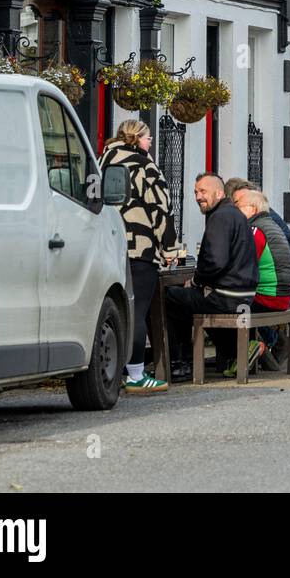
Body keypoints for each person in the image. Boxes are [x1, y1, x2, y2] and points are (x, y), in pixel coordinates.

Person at [99, 120, 178, 394]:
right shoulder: (144, 164)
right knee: (137, 311)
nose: (151, 142)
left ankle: (111, 369)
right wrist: (170, 249)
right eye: (148, 137)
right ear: (136, 137)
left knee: (114, 310)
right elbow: (160, 209)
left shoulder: (103, 160)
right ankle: (136, 374)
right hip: (140, 247)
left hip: (109, 245)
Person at [165, 173, 260, 381]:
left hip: (227, 297)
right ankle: (229, 355)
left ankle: (179, 364)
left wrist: (197, 280)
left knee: (170, 297)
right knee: (189, 298)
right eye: (196, 192)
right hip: (243, 295)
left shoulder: (220, 217)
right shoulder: (234, 214)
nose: (198, 196)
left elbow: (216, 261)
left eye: (203, 191)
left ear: (219, 192)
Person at [232, 187, 290, 374]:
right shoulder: (272, 225)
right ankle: (268, 342)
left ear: (252, 209)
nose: (235, 212)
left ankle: (241, 354)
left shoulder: (255, 229)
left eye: (238, 206)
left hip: (269, 297)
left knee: (224, 306)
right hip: (283, 295)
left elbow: (244, 263)